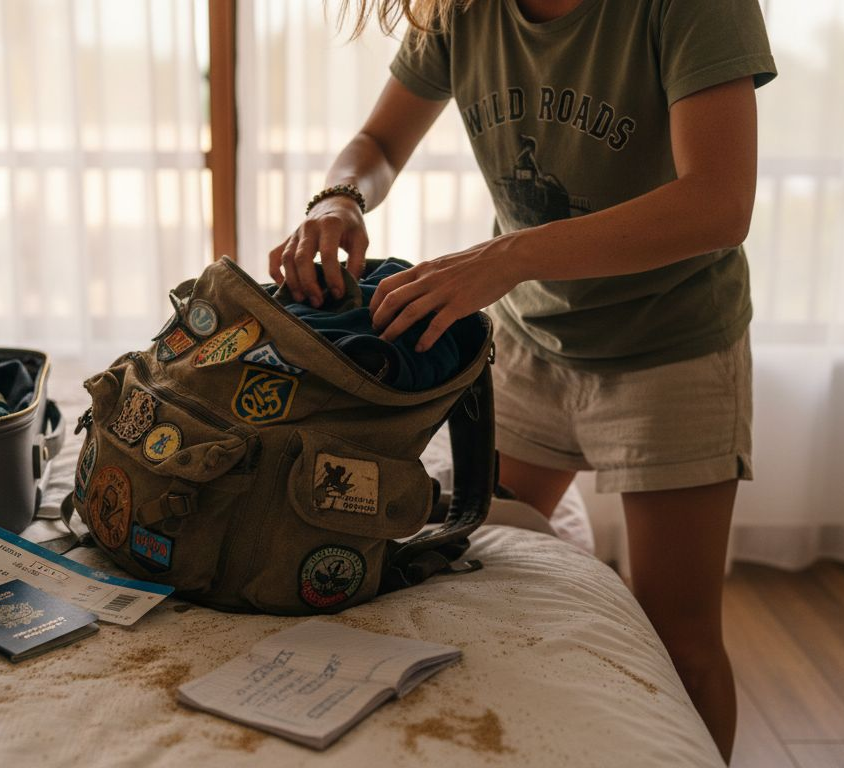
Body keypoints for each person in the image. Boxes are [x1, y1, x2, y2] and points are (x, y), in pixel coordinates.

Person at [269, 0, 775, 760]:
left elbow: (719, 202)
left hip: (672, 349)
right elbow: (377, 141)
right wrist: (340, 194)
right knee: (461, 562)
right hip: (532, 346)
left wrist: (506, 258)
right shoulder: (463, 11)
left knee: (682, 640)